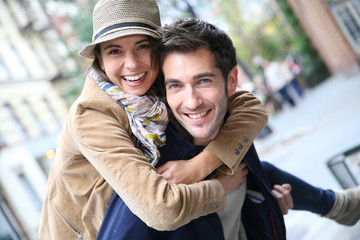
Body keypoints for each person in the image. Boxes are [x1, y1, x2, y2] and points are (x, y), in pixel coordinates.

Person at [97, 18, 360, 240]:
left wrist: (263, 202)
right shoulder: (154, 174)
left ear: (231, 80)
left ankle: (339, 205)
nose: (192, 102)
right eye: (176, 85)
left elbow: (252, 117)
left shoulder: (231, 125)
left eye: (204, 81)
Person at [38, 1, 269, 239]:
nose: (132, 64)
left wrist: (201, 165)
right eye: (115, 51)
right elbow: (161, 210)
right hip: (102, 231)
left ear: (157, 49)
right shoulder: (90, 115)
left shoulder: (153, 83)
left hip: (149, 222)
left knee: (243, 161)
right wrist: (220, 190)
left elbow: (250, 107)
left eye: (142, 46)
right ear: (100, 57)